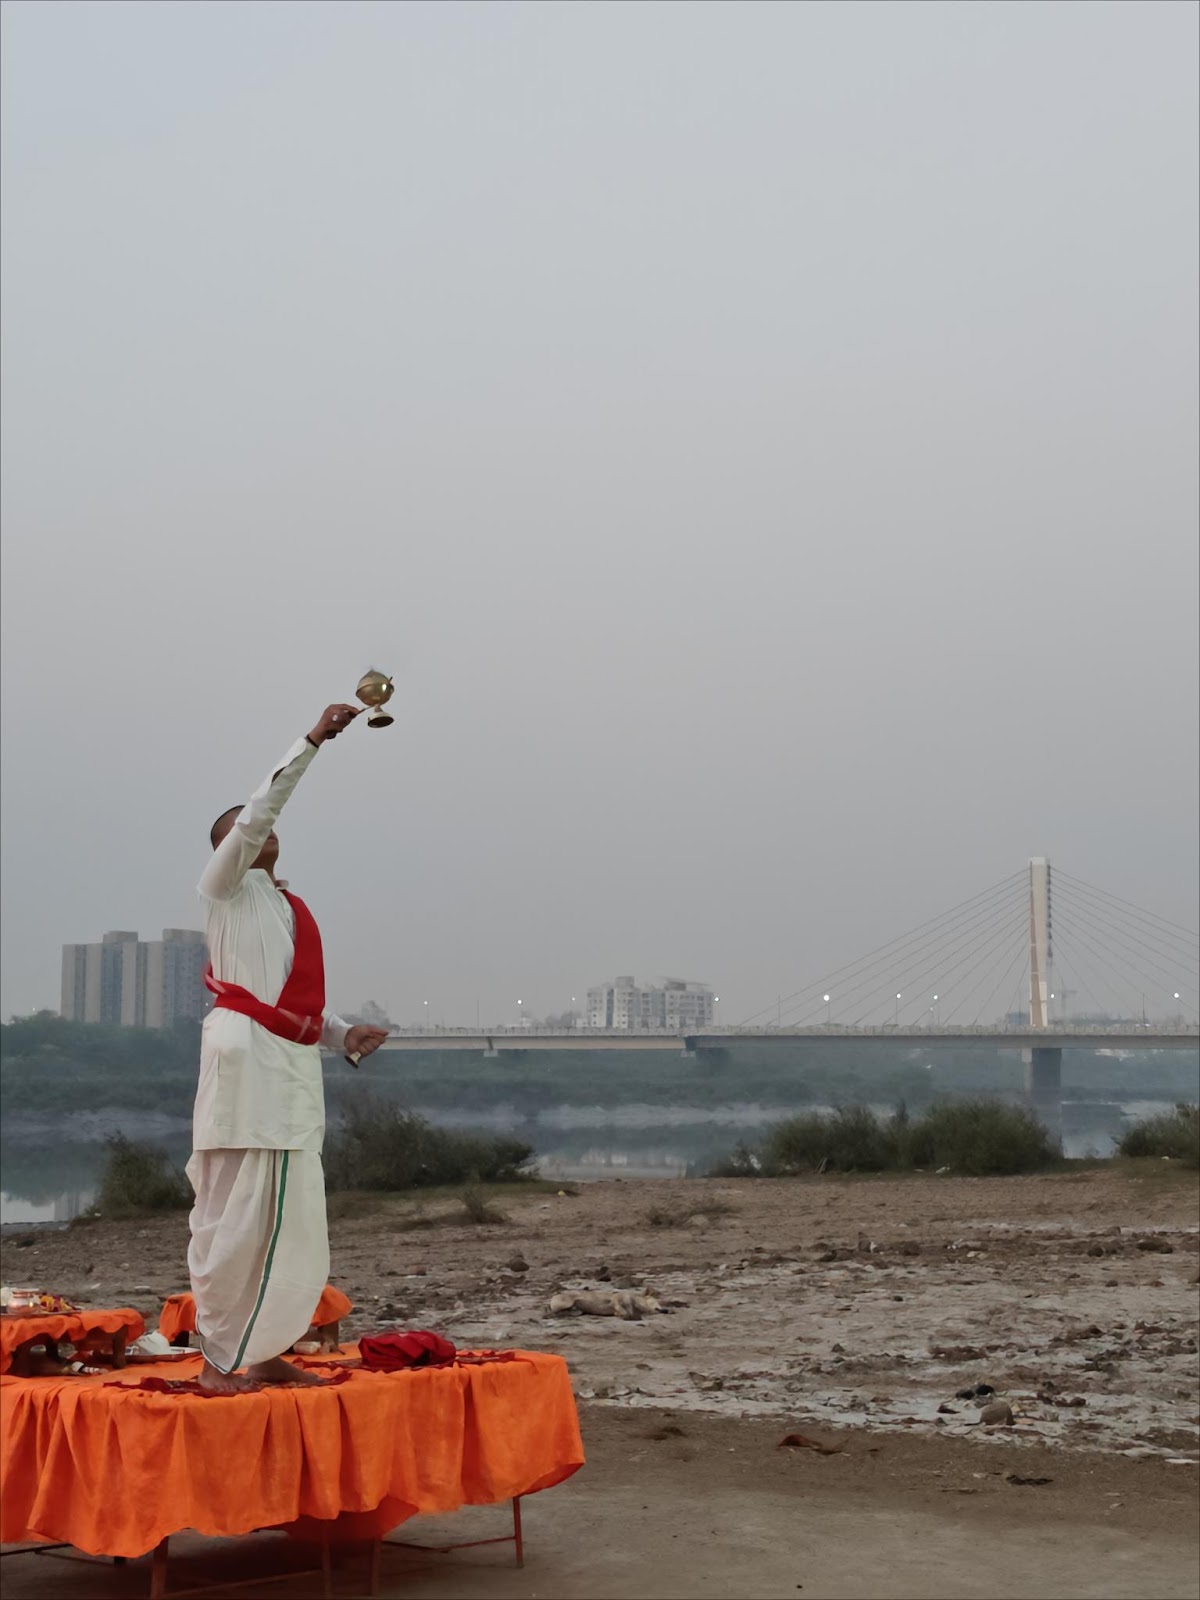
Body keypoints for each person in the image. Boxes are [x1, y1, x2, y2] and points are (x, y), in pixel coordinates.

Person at [188, 703, 389, 1393]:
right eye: (244, 830)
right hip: (246, 1067)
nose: (259, 832)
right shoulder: (225, 890)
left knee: (291, 1217)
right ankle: (220, 1360)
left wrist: (340, 1037)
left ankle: (267, 1350)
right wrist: (310, 742)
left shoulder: (283, 906)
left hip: (292, 1069)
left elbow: (293, 1000)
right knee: (235, 1215)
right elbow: (253, 817)